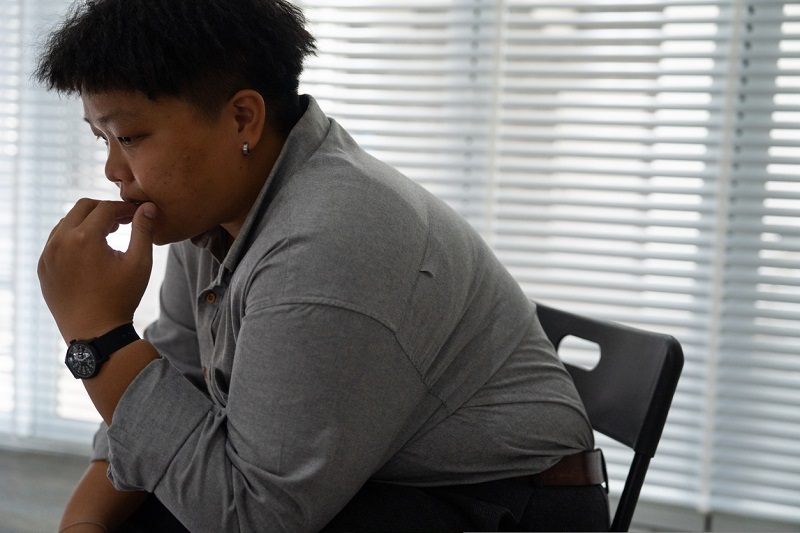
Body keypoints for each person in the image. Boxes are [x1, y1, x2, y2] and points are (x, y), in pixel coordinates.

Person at [34, 0, 609, 531]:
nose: (113, 169)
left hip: (500, 506)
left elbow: (255, 518)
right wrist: (82, 523)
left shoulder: (328, 239)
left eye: (130, 136)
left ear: (242, 119)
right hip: (377, 483)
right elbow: (178, 377)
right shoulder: (211, 209)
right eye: (101, 137)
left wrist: (97, 334)